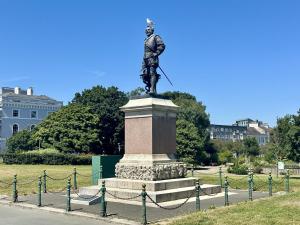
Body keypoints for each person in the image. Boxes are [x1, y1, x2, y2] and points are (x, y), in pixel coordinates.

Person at [141, 19, 165, 94]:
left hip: (152, 58)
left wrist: (156, 53)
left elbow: (162, 46)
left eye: (148, 30)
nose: (146, 31)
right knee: (145, 74)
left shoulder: (155, 37)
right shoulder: (145, 39)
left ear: (152, 30)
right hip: (145, 59)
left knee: (152, 73)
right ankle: (149, 88)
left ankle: (152, 89)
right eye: (146, 30)